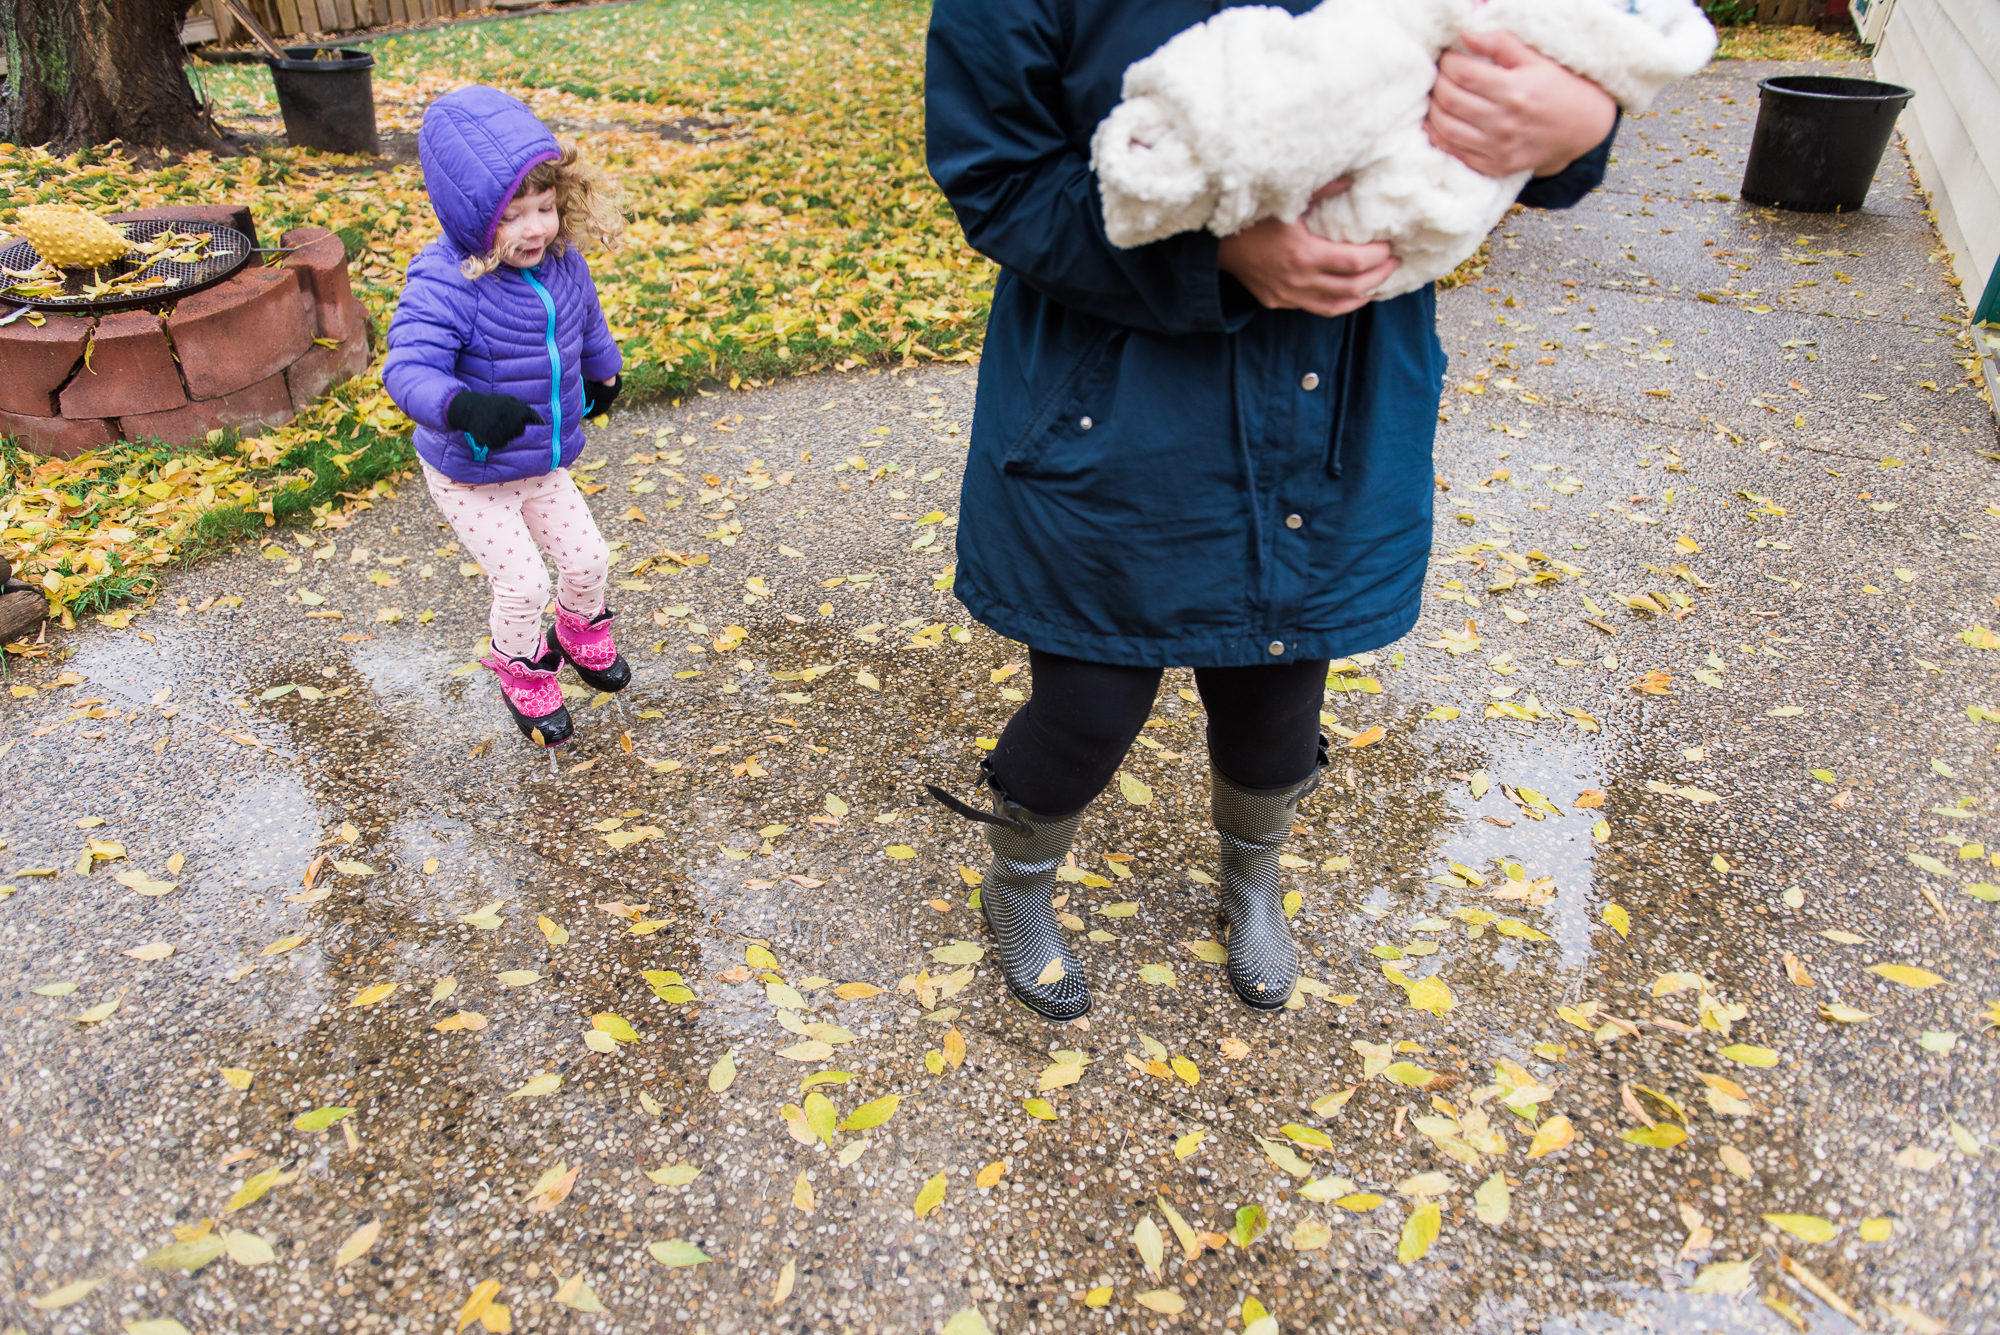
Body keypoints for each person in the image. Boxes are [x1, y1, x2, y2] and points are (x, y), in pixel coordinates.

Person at [923, 2, 1619, 1021]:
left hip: (1328, 400)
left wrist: (1575, 130)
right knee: (1083, 712)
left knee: (1275, 710)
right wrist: (1216, 263)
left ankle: (1251, 881)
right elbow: (998, 178)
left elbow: (1532, 83)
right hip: (1113, 410)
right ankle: (1018, 884)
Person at [384, 86, 631, 750]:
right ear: (470, 216)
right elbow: (406, 368)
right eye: (513, 215)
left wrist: (603, 372)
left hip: (540, 459)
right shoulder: (445, 281)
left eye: (546, 209)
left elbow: (586, 320)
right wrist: (460, 405)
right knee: (522, 583)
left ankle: (579, 633)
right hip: (471, 469)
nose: (535, 229)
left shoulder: (562, 263)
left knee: (587, 559)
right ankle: (524, 673)